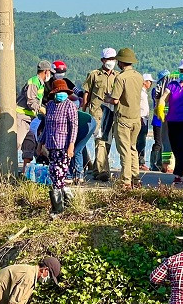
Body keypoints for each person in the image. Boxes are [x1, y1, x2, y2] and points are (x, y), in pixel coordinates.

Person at [107, 47, 144, 188]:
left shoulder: (120, 78)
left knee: (124, 151)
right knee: (133, 148)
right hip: (136, 118)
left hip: (123, 119)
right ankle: (136, 178)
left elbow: (115, 100)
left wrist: (106, 98)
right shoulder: (139, 76)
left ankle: (126, 181)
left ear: (121, 62)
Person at [39, 79, 78, 214]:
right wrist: (40, 143)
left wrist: (71, 146)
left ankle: (58, 208)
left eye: (63, 92)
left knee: (59, 173)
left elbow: (74, 127)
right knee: (53, 174)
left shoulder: (70, 106)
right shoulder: (50, 105)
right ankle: (67, 203)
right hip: (51, 145)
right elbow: (46, 126)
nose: (60, 94)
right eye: (58, 92)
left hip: (64, 145)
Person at [82, 48, 118, 180]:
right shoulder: (94, 75)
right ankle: (103, 171)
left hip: (112, 112)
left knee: (108, 141)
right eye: (108, 59)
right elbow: (86, 93)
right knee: (100, 139)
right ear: (102, 60)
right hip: (97, 111)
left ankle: (97, 169)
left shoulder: (118, 76)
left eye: (113, 59)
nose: (111, 61)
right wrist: (84, 110)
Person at [16, 60, 50, 150]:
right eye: (50, 72)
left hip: (30, 119)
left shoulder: (40, 83)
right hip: (22, 117)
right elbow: (31, 101)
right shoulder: (34, 82)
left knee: (30, 146)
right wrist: (41, 109)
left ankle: (26, 159)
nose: (50, 74)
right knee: (17, 143)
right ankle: (7, 158)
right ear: (46, 71)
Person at [149, 71, 171, 172]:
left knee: (164, 143)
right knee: (158, 142)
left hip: (165, 119)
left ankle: (160, 162)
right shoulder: (157, 90)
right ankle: (153, 163)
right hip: (158, 120)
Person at [137, 72, 153, 170]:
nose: (151, 84)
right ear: (144, 82)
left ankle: (141, 161)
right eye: (149, 81)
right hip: (141, 118)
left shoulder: (144, 93)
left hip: (145, 119)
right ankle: (140, 162)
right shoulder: (140, 92)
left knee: (142, 140)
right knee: (140, 141)